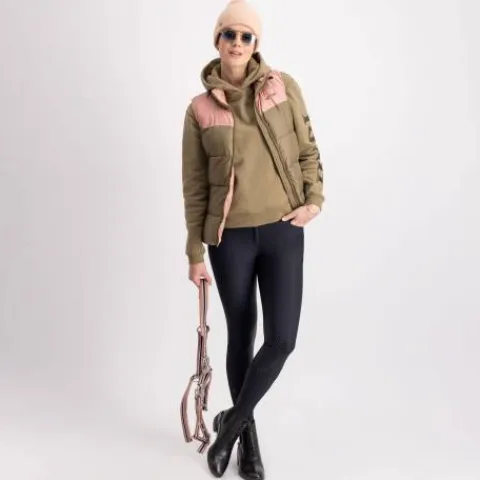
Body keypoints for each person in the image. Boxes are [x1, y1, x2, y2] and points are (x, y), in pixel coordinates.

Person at [181, 0, 324, 477]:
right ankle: (249, 442)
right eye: (230, 34)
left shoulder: (284, 87)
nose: (238, 43)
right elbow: (195, 187)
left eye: (247, 36)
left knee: (281, 339)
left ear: (256, 43)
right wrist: (194, 251)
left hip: (283, 230)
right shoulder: (200, 110)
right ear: (217, 40)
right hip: (230, 240)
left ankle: (230, 425)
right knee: (241, 335)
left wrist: (314, 199)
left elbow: (307, 148)